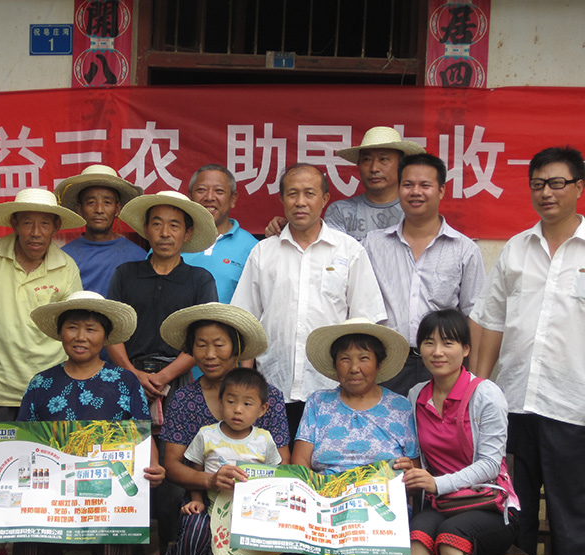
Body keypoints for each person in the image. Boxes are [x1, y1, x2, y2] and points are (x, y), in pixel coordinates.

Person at [471, 145, 585, 555]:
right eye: (537, 184)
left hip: (571, 409)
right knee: (508, 517)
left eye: (557, 183)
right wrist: (477, 394)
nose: (546, 193)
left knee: (570, 521)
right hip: (513, 406)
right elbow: (491, 324)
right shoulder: (517, 249)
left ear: (579, 187)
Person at [13, 291, 165, 555]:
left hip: (105, 495)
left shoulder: (124, 381)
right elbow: (21, 446)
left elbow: (142, 436)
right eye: (72, 327)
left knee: (114, 531)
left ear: (106, 336)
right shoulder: (41, 383)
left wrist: (154, 467)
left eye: (91, 329)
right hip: (53, 497)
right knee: (26, 532)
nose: (81, 336)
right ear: (60, 333)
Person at [231, 163, 386, 443]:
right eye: (292, 194)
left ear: (325, 200)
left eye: (309, 193)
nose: (300, 202)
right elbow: (245, 323)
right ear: (281, 199)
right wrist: (247, 384)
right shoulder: (263, 252)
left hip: (333, 389)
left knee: (329, 472)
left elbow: (365, 323)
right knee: (277, 473)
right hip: (272, 389)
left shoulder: (349, 250)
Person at [270, 318, 417, 555]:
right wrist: (324, 501)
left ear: (378, 363)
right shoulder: (318, 402)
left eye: (364, 358)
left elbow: (415, 468)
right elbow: (301, 463)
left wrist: (407, 473)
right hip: (327, 512)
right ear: (335, 365)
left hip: (380, 514)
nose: (354, 368)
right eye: (344, 359)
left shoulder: (399, 406)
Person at [158, 302, 290, 555]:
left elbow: (284, 466)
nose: (209, 354)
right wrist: (209, 481)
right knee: (194, 526)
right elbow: (173, 465)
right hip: (203, 499)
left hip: (259, 503)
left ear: (237, 348)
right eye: (201, 345)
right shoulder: (184, 399)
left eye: (219, 344)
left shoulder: (269, 398)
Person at [395, 309, 519, 555]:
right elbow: (418, 454)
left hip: (490, 507)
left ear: (465, 349)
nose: (437, 352)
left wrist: (438, 484)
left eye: (448, 343)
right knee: (416, 536)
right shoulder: (416, 395)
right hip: (441, 507)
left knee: (453, 536)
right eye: (429, 342)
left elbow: (490, 464)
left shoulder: (487, 394)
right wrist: (408, 466)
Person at [362, 153, 486, 396]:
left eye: (425, 185)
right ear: (398, 189)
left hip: (443, 366)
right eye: (408, 185)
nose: (415, 192)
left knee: (436, 434)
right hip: (387, 364)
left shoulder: (464, 250)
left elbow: (475, 316)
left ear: (441, 191)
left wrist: (474, 377)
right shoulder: (373, 244)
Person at [0, 188, 85, 421]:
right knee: (0, 457)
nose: (35, 233)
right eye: (27, 223)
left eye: (44, 224)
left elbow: (75, 330)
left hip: (52, 388)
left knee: (51, 455)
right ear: (14, 224)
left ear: (56, 227)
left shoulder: (67, 267)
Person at [106, 190, 218, 407]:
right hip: (129, 378)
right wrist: (133, 374)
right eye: (157, 224)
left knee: (177, 440)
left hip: (179, 379)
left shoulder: (200, 280)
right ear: (146, 230)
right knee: (127, 441)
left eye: (174, 225)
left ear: (187, 233)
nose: (165, 233)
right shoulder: (125, 274)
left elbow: (203, 340)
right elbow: (112, 332)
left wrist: (162, 377)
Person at [182, 368, 281, 555]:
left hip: (254, 523)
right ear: (220, 402)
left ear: (262, 409)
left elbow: (276, 477)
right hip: (218, 520)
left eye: (248, 404)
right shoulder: (206, 435)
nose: (238, 409)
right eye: (231, 401)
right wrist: (197, 501)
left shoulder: (264, 439)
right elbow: (195, 474)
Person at [264, 126, 425, 241]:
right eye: (367, 159)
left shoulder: (414, 211)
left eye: (383, 159)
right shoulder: (340, 211)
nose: (374, 168)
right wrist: (290, 226)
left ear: (401, 165)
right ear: (358, 165)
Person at [56, 164, 146, 297]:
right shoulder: (64, 257)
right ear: (80, 209)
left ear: (117, 209)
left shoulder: (138, 256)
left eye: (107, 203)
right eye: (91, 202)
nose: (99, 209)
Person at [181, 165, 259, 304]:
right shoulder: (172, 240)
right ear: (190, 196)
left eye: (219, 191)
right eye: (201, 190)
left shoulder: (254, 248)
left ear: (233, 199)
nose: (210, 197)